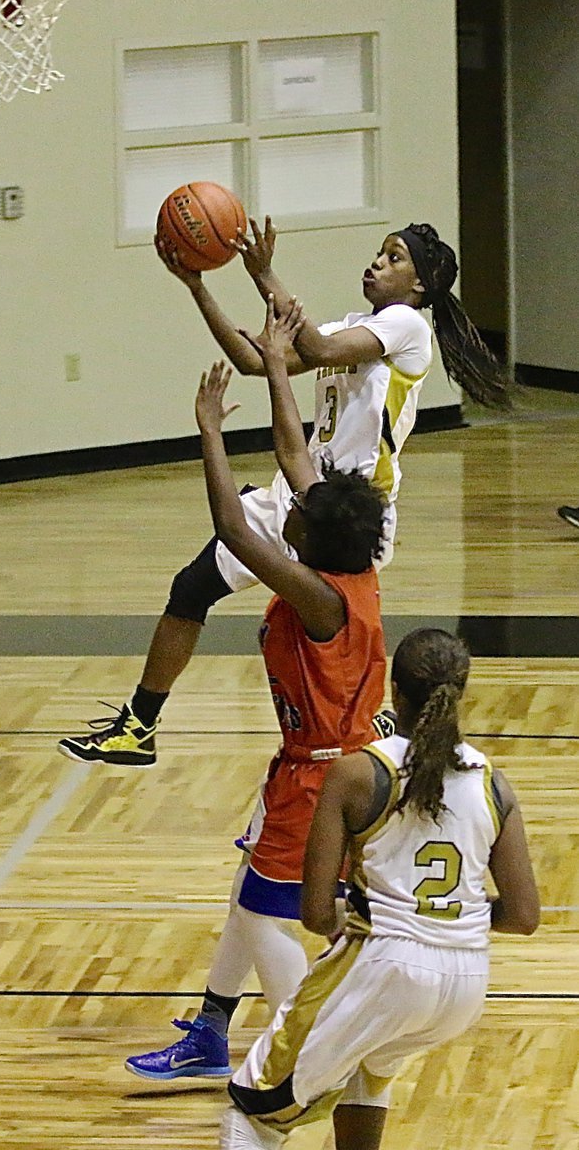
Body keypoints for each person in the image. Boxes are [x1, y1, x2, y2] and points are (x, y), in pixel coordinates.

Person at [58, 217, 512, 768]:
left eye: (394, 258)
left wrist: (263, 273)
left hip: (349, 514)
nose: (377, 263)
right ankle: (139, 725)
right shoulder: (356, 327)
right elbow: (256, 361)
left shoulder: (406, 327)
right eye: (379, 252)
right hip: (300, 492)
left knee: (319, 646)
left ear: (419, 286)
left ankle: (370, 723)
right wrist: (198, 287)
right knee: (191, 589)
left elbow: (313, 348)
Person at [124, 305, 388, 1084]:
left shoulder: (317, 598)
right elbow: (294, 451)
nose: (291, 507)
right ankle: (211, 1028)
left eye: (298, 513)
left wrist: (207, 431)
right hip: (334, 761)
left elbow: (238, 534)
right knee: (249, 890)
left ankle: (304, 1050)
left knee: (265, 914)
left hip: (320, 774)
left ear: (307, 540)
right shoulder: (347, 567)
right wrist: (276, 364)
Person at [219, 626, 540, 1150]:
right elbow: (524, 915)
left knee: (250, 1114)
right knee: (367, 1071)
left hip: (385, 965)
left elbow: (317, 911)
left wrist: (378, 927)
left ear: (396, 693)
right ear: (460, 694)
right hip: (464, 984)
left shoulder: (357, 772)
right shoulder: (492, 782)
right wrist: (450, 917)